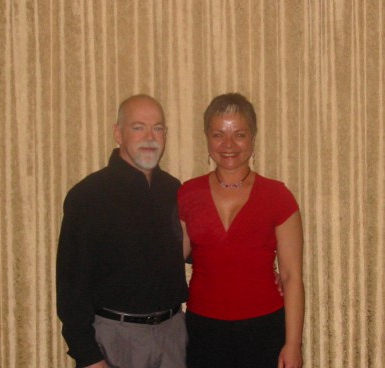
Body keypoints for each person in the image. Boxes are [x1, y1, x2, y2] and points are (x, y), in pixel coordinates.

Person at [56, 95, 188, 368]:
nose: (150, 137)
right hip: (115, 339)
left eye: (158, 128)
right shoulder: (88, 196)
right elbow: (71, 285)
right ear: (118, 133)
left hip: (173, 335)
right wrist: (88, 356)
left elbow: (195, 250)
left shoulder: (174, 190)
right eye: (138, 127)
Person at [178, 93, 305, 368]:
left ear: (253, 138)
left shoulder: (278, 196)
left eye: (239, 134)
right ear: (207, 138)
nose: (228, 145)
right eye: (218, 134)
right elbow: (169, 264)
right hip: (203, 331)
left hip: (263, 329)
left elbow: (292, 276)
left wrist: (293, 344)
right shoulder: (188, 193)